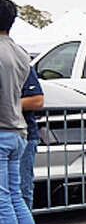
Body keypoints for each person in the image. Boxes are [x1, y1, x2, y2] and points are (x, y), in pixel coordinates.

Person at [0, 0, 42, 224]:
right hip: (17, 132)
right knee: (15, 197)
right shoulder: (19, 52)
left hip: (1, 131)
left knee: (3, 199)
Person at [19, 67, 43, 215]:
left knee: (21, 192)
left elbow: (37, 100)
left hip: (24, 137)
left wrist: (7, 103)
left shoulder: (20, 64)